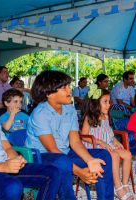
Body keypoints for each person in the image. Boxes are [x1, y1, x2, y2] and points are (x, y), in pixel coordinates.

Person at [25, 70, 114, 200]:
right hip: (40, 158)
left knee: (103, 155)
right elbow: (53, 150)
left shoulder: (69, 109)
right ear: (49, 93)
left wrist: (90, 160)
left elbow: (75, 142)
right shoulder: (40, 114)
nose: (69, 90)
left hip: (64, 154)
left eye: (69, 85)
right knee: (63, 162)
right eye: (64, 87)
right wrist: (80, 172)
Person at [81, 84, 134, 200]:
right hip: (95, 147)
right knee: (114, 155)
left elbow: (109, 132)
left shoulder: (106, 116)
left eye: (109, 101)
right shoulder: (89, 117)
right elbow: (83, 136)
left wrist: (115, 140)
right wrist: (100, 142)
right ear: (95, 103)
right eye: (105, 101)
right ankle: (117, 186)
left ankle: (124, 183)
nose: (109, 104)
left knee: (127, 154)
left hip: (108, 145)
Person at [0, 118, 61, 200]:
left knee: (53, 172)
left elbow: (8, 148)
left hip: (5, 164)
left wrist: (16, 159)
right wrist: (2, 167)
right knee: (12, 187)